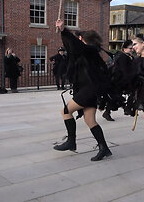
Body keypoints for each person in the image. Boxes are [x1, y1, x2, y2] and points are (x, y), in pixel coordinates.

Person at [53, 19, 112, 161]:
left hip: (89, 89)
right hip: (89, 89)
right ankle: (104, 148)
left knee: (66, 111)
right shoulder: (87, 52)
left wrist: (64, 30)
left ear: (82, 39)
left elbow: (76, 47)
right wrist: (64, 33)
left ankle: (71, 141)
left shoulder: (90, 50)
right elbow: (72, 48)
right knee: (90, 120)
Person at [102, 40, 134, 121]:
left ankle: (123, 109)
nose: (132, 50)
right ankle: (124, 109)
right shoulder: (122, 57)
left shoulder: (128, 56)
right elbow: (124, 70)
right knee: (116, 97)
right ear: (124, 49)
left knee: (117, 97)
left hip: (122, 81)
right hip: (118, 81)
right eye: (130, 48)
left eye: (132, 48)